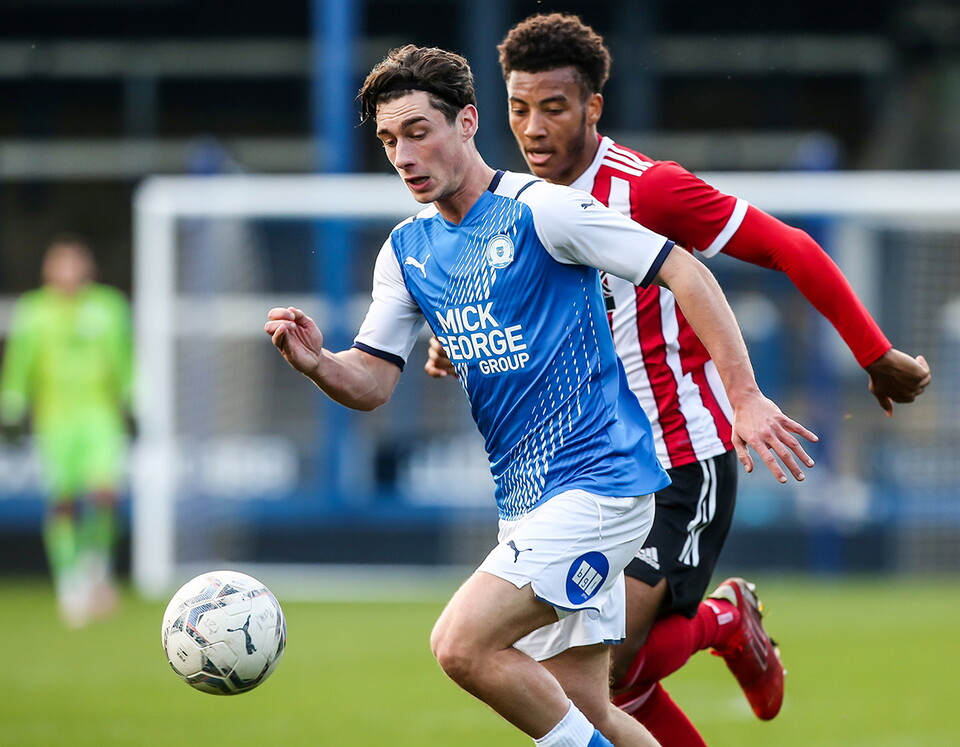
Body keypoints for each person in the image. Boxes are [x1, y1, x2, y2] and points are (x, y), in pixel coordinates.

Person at [266, 44, 818, 747]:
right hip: (530, 506)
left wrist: (744, 398)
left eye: (417, 131)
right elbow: (372, 381)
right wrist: (318, 363)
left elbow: (685, 270)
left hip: (602, 488)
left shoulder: (544, 211)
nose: (403, 154)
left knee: (460, 644)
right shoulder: (406, 252)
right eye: (387, 140)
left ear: (467, 122)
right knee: (591, 709)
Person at [424, 13, 932, 745]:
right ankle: (722, 624)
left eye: (555, 107)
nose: (533, 128)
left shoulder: (648, 190)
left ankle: (724, 620)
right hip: (586, 473)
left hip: (680, 459)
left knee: (616, 664)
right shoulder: (513, 208)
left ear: (594, 106)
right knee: (594, 681)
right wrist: (455, 344)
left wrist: (873, 350)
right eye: (519, 108)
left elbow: (789, 246)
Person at [0, 234, 134, 627]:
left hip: (99, 416)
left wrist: (134, 397)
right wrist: (11, 404)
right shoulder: (34, 311)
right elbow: (20, 363)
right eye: (62, 263)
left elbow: (124, 359)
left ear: (88, 267)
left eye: (76, 262)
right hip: (55, 418)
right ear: (49, 270)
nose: (69, 271)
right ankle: (69, 578)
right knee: (62, 501)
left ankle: (96, 565)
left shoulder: (109, 307)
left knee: (105, 491)